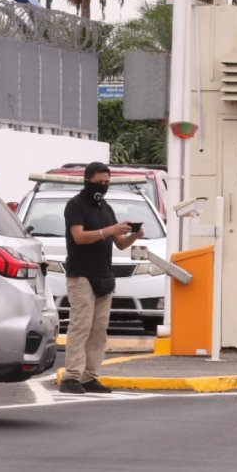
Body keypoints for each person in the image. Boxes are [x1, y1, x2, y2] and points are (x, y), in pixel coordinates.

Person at [60, 161, 144, 394]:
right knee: (81, 325)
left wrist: (134, 235)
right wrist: (109, 230)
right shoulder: (75, 205)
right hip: (81, 274)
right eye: (99, 182)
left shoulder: (105, 208)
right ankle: (71, 376)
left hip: (104, 274)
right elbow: (79, 237)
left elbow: (120, 243)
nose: (103, 186)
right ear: (87, 180)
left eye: (107, 182)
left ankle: (90, 376)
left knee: (99, 328)